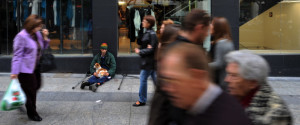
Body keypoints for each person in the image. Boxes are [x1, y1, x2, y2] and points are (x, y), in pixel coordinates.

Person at [157, 42, 252, 125]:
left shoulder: (225, 118)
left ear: (196, 77)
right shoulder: (196, 110)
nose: (167, 88)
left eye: (173, 80)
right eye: (166, 81)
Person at [224, 50, 293, 125]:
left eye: (234, 76)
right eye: (228, 74)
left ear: (252, 83)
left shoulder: (276, 114)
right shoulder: (234, 98)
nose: (227, 80)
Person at [11, 15, 50, 121]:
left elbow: (43, 47)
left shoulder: (36, 34)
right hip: (25, 69)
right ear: (32, 26)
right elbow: (17, 55)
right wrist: (14, 72)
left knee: (37, 86)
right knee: (31, 91)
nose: (41, 26)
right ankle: (32, 113)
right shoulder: (21, 36)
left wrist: (45, 37)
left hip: (36, 66)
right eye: (39, 25)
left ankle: (23, 96)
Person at [133, 15, 158, 107]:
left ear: (149, 23)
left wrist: (140, 51)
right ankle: (164, 97)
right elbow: (143, 43)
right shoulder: (148, 32)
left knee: (143, 79)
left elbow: (152, 49)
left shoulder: (151, 34)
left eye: (144, 21)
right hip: (149, 61)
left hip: (149, 62)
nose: (142, 22)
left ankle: (142, 100)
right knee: (156, 80)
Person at [208, 17, 234, 90]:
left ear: (218, 28)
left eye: (212, 24)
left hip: (220, 81)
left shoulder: (221, 43)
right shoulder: (224, 41)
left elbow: (218, 63)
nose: (210, 26)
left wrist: (202, 65)